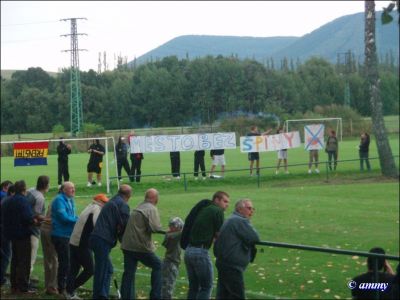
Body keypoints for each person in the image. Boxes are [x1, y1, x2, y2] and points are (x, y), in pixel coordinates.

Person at [183, 191, 230, 299]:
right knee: (206, 287)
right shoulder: (217, 211)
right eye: (225, 201)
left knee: (193, 287)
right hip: (200, 252)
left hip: (189, 251)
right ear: (216, 200)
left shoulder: (205, 209)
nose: (227, 205)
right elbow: (220, 235)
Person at [120, 188, 165, 300]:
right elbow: (155, 228)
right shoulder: (151, 208)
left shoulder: (139, 206)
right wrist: (169, 232)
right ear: (155, 198)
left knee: (129, 273)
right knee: (159, 266)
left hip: (127, 245)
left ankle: (126, 297)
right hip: (139, 246)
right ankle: (156, 296)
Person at [89, 184, 132, 299]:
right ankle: (98, 296)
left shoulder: (112, 200)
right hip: (103, 240)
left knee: (108, 269)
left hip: (97, 238)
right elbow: (125, 225)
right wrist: (125, 241)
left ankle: (103, 294)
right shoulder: (123, 205)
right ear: (129, 195)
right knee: (101, 271)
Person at [214, 199, 260, 299]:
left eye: (252, 209)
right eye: (249, 208)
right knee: (238, 296)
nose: (251, 211)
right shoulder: (239, 220)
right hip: (232, 267)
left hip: (223, 263)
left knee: (223, 295)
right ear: (239, 209)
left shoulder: (231, 219)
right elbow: (255, 237)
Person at [2, 180, 42, 294]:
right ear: (24, 189)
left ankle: (14, 285)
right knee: (24, 261)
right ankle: (23, 287)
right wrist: (36, 221)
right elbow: (27, 218)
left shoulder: (8, 199)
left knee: (15, 260)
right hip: (22, 234)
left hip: (10, 234)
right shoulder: (23, 201)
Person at [66, 193, 109, 299]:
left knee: (74, 269)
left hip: (74, 241)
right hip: (82, 243)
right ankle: (70, 289)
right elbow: (97, 224)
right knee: (90, 269)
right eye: (104, 202)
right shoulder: (96, 208)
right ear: (99, 201)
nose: (105, 204)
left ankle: (69, 292)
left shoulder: (89, 207)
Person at [51, 181, 78, 296]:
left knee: (69, 262)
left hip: (68, 235)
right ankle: (62, 288)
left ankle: (66, 286)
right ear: (63, 190)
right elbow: (64, 218)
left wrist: (77, 218)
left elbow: (72, 216)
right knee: (65, 262)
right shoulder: (59, 200)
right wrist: (78, 220)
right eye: (71, 188)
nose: (73, 190)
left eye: (73, 188)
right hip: (60, 236)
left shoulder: (70, 199)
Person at [26, 175, 50, 283]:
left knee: (20, 257)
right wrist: (49, 219)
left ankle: (19, 281)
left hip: (23, 229)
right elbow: (37, 215)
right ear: (46, 185)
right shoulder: (40, 197)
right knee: (31, 258)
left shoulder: (30, 190)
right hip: (33, 231)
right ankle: (25, 283)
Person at [161, 217, 184, 299]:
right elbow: (184, 231)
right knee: (168, 285)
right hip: (171, 263)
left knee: (167, 284)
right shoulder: (174, 235)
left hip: (170, 262)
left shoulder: (170, 234)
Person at [40, 195, 59, 295]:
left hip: (44, 229)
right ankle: (52, 286)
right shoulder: (60, 201)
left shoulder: (54, 199)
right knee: (55, 258)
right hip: (51, 230)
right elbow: (61, 217)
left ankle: (48, 285)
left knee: (48, 258)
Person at [0, 184, 15, 287]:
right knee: (6, 255)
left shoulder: (4, 200)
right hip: (4, 230)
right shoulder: (8, 201)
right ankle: (1, 279)